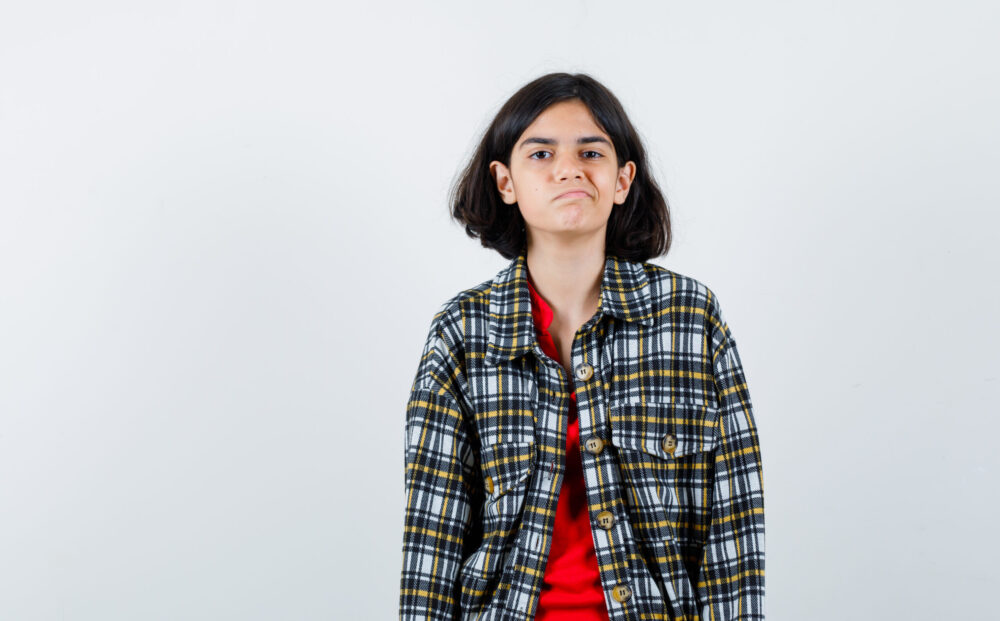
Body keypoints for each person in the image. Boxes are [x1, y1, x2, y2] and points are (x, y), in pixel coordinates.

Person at [398, 72, 765, 621]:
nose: (568, 168)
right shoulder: (462, 329)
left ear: (622, 180)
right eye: (540, 153)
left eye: (590, 151)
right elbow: (433, 535)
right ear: (505, 182)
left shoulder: (690, 318)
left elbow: (733, 522)